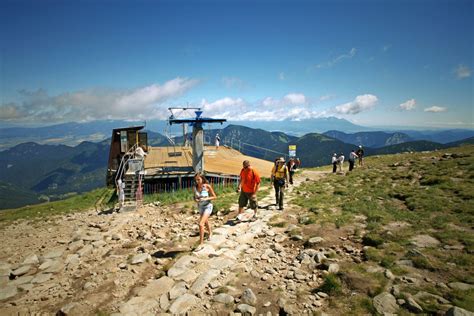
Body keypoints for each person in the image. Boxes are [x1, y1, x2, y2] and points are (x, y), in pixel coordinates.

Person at [194, 173, 216, 247]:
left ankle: (201, 243)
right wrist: (196, 200)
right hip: (200, 207)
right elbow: (194, 197)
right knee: (206, 222)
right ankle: (210, 233)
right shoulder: (195, 187)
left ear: (202, 179)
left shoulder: (207, 186)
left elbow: (214, 196)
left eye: (198, 179)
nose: (197, 181)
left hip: (207, 206)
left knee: (201, 224)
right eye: (196, 180)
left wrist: (206, 198)